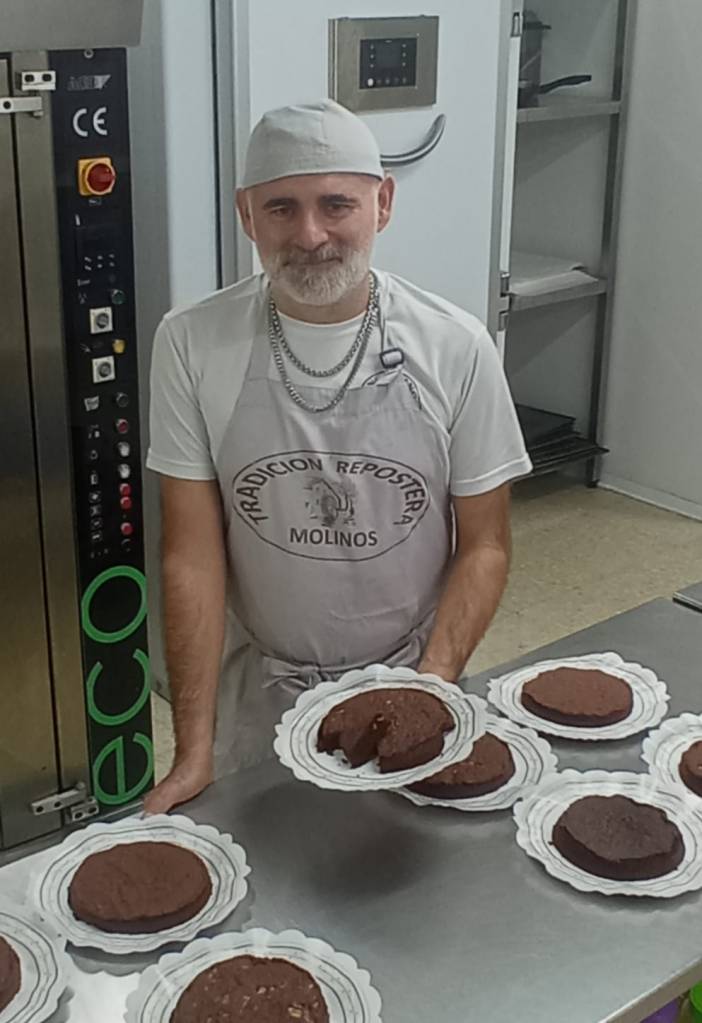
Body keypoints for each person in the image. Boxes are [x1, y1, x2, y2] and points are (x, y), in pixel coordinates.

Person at [144, 99, 532, 814]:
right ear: (246, 215)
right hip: (259, 692)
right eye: (281, 208)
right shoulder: (192, 342)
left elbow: (485, 544)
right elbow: (190, 556)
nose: (311, 235)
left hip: (415, 674)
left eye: (336, 204)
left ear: (383, 204)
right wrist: (192, 749)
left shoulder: (455, 346)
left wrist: (428, 691)